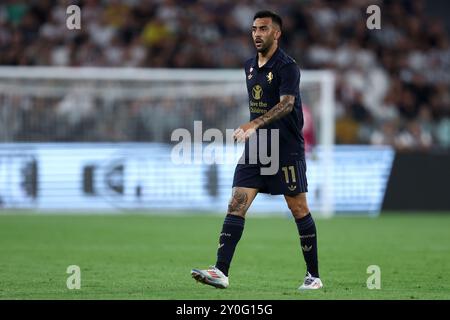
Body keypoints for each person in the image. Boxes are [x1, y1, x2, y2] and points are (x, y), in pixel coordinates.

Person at [191, 10, 323, 290]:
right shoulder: (249, 65)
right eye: (253, 29)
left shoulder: (288, 67)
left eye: (263, 29)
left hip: (286, 148)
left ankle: (313, 276)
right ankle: (220, 271)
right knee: (236, 203)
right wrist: (255, 131)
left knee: (298, 208)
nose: (257, 34)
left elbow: (287, 104)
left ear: (277, 33)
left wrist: (253, 123)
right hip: (259, 147)